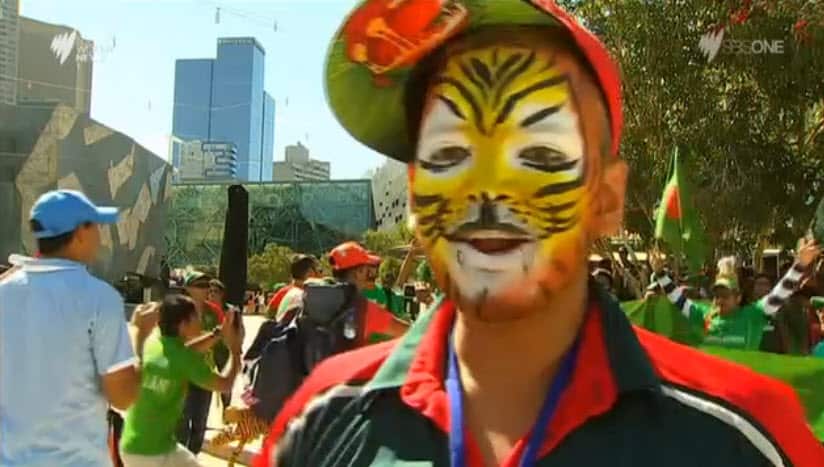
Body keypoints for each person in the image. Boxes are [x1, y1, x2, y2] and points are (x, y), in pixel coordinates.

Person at [255, 2, 824, 466]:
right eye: (450, 153)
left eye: (540, 154)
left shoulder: (742, 437)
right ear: (413, 195)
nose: (488, 191)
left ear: (607, 200)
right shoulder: (321, 420)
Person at [0, 189, 154, 467]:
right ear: (79, 233)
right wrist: (142, 337)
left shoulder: (4, 292)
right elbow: (123, 397)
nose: (100, 235)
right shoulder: (99, 298)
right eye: (95, 225)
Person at [119, 294, 244, 467]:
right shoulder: (185, 360)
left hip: (141, 445)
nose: (200, 321)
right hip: (151, 455)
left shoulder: (155, 342)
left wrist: (219, 333)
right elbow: (225, 385)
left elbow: (184, 352)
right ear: (183, 325)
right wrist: (236, 351)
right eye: (196, 317)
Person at [652, 243, 820, 351]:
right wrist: (660, 274)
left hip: (740, 398)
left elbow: (780, 294)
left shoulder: (753, 315)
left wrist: (800, 266)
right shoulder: (704, 315)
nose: (719, 300)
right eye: (717, 295)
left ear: (738, 297)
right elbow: (679, 301)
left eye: (725, 295)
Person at [176, 271, 224, 455]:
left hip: (205, 373)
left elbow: (221, 345)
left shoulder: (213, 312)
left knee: (200, 422)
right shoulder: (177, 311)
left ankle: (193, 457)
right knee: (181, 421)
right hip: (182, 375)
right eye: (200, 285)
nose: (206, 289)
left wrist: (223, 370)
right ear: (188, 288)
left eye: (207, 286)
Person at [267, 254, 322, 322]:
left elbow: (270, 313)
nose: (321, 275)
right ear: (310, 272)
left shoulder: (284, 292)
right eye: (319, 271)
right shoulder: (309, 295)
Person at [208, 278, 233, 410]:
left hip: (224, 351)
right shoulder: (204, 309)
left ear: (222, 294)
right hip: (207, 351)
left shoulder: (230, 310)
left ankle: (226, 411)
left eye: (215, 291)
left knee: (225, 384)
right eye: (210, 291)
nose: (212, 294)